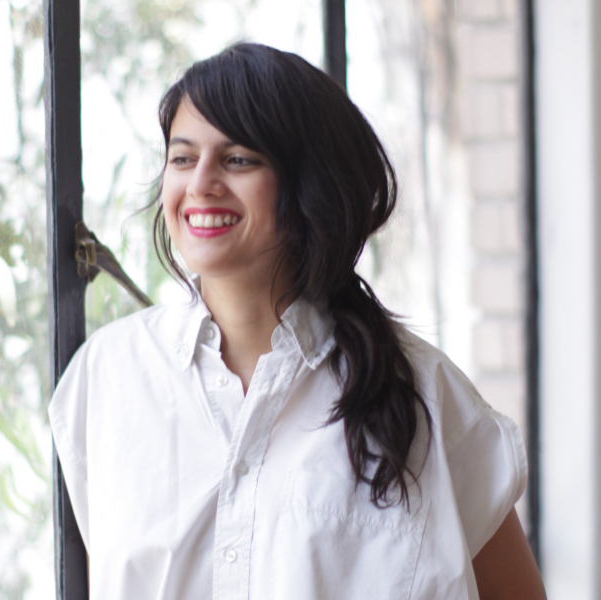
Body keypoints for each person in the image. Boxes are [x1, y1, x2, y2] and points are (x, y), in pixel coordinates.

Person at [48, 43, 546, 599]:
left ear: (310, 185)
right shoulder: (108, 376)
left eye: (238, 159)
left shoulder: (422, 393)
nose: (201, 183)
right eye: (183, 158)